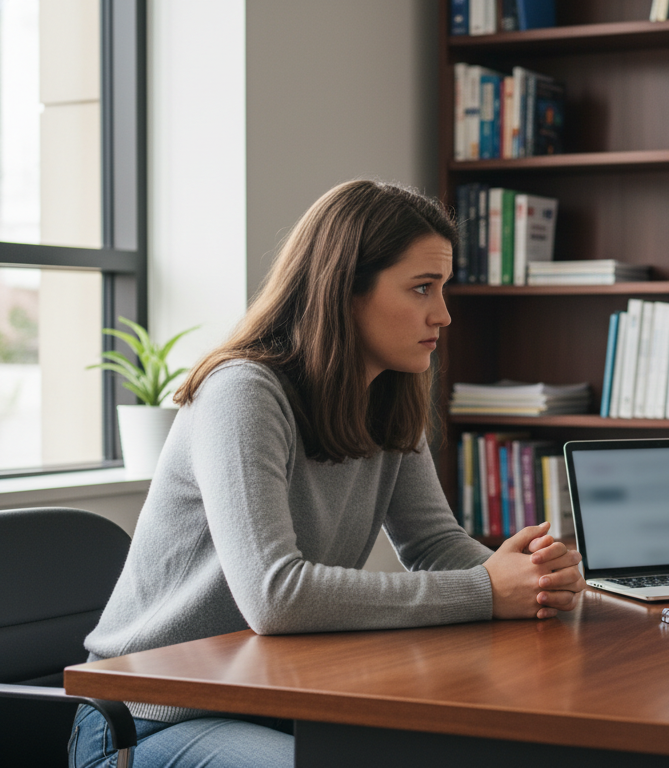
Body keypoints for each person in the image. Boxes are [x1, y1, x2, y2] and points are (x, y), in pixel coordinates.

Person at [71, 180, 585, 768]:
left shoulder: (387, 394)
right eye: (422, 288)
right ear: (344, 291)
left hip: (276, 700)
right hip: (141, 723)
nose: (442, 314)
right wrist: (485, 590)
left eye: (442, 289)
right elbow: (275, 596)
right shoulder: (243, 392)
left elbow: (434, 543)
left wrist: (535, 579)